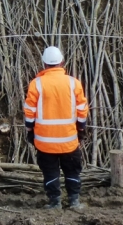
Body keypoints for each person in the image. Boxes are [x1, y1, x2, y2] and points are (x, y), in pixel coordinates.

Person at [24, 46, 88, 210]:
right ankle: (74, 201)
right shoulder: (74, 83)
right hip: (69, 141)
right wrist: (81, 129)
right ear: (62, 62)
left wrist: (30, 130)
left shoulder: (36, 84)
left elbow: (29, 111)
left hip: (45, 142)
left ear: (44, 64)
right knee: (72, 170)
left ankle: (55, 202)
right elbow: (82, 109)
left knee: (50, 172)